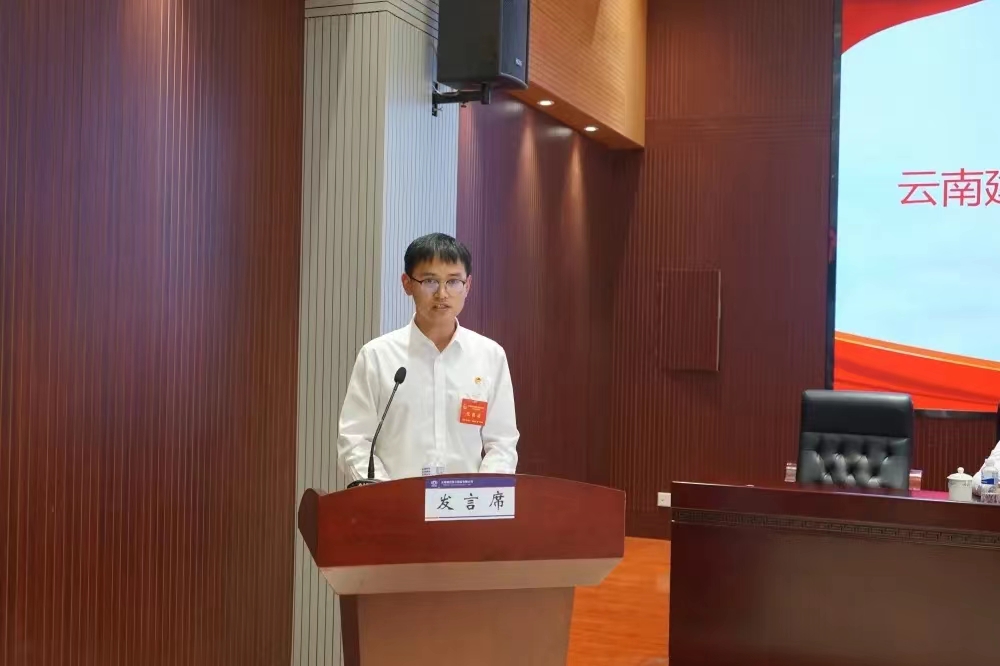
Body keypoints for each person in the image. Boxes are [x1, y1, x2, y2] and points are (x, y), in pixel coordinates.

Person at [337, 233, 519, 483]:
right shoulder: (377, 356)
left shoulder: (489, 356)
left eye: (453, 282)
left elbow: (502, 443)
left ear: (468, 286)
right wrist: (383, 493)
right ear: (407, 284)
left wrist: (480, 493)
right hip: (395, 502)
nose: (442, 294)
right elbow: (354, 440)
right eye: (430, 281)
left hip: (466, 503)